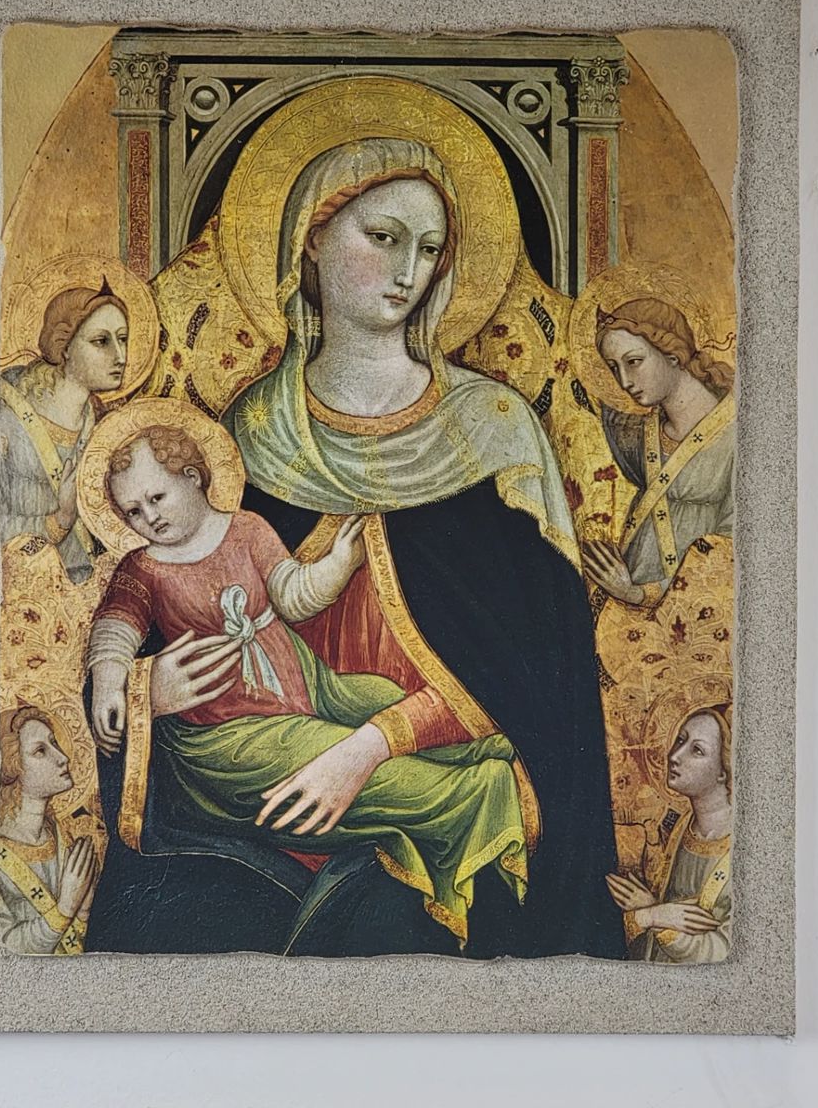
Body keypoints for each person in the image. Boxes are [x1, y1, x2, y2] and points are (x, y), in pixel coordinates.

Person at [207, 136, 623, 959]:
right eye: (384, 237)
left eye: (430, 249)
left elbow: (539, 671)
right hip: (274, 801)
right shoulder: (248, 436)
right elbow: (201, 614)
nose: (409, 271)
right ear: (311, 240)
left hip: (459, 804)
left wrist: (369, 748)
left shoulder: (492, 432)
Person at [86, 422, 529, 946]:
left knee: (381, 698)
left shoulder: (247, 529)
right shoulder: (143, 568)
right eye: (133, 512)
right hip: (232, 734)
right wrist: (111, 678)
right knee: (344, 757)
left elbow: (293, 596)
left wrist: (337, 566)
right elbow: (116, 626)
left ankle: (480, 752)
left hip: (307, 686)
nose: (149, 517)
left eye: (156, 498)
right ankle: (481, 792)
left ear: (193, 477)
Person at [582, 297, 735, 607]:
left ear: (672, 354)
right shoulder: (639, 434)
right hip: (625, 602)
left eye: (633, 362)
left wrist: (639, 593)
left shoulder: (735, 433)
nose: (624, 382)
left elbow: (730, 549)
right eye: (614, 367)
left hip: (688, 610)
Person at [0, 278, 129, 583]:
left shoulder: (103, 425)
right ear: (65, 345)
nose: (121, 356)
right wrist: (60, 520)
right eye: (101, 341)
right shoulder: (6, 420)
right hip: (28, 586)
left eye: (123, 339)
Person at [605, 705, 732, 962]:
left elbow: (723, 951)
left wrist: (652, 916)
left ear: (724, 770)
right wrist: (655, 910)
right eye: (680, 740)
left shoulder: (737, 847)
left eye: (697, 750)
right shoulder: (682, 825)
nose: (674, 755)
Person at [0, 704, 98, 954]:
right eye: (40, 751)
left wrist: (84, 912)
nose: (62, 757)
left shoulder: (64, 838)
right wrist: (66, 908)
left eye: (54, 743)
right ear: (11, 766)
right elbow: (7, 947)